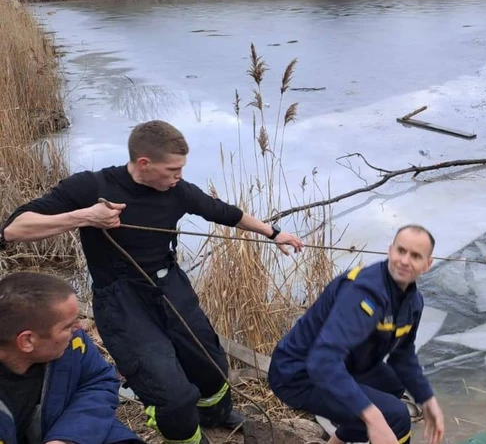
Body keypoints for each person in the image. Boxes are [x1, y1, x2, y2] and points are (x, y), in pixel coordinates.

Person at [0, 120, 305, 444]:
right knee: (170, 390)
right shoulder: (92, 187)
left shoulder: (177, 191)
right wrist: (86, 216)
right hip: (121, 299)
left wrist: (274, 234)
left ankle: (215, 414)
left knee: (209, 363)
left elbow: (224, 212)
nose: (179, 177)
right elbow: (14, 229)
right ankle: (185, 436)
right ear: (144, 163)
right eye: (172, 169)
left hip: (169, 285)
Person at [268, 224, 445, 444]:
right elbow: (322, 362)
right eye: (401, 251)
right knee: (395, 416)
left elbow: (403, 355)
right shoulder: (363, 293)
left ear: (427, 264)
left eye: (416, 256)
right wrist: (374, 418)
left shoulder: (413, 302)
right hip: (299, 375)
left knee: (395, 383)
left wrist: (427, 399)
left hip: (345, 364)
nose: (405, 261)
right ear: (390, 251)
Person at [0, 271, 144, 444]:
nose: (80, 327)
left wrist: (67, 438)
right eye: (68, 325)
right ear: (27, 340)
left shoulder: (73, 344)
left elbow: (98, 381)